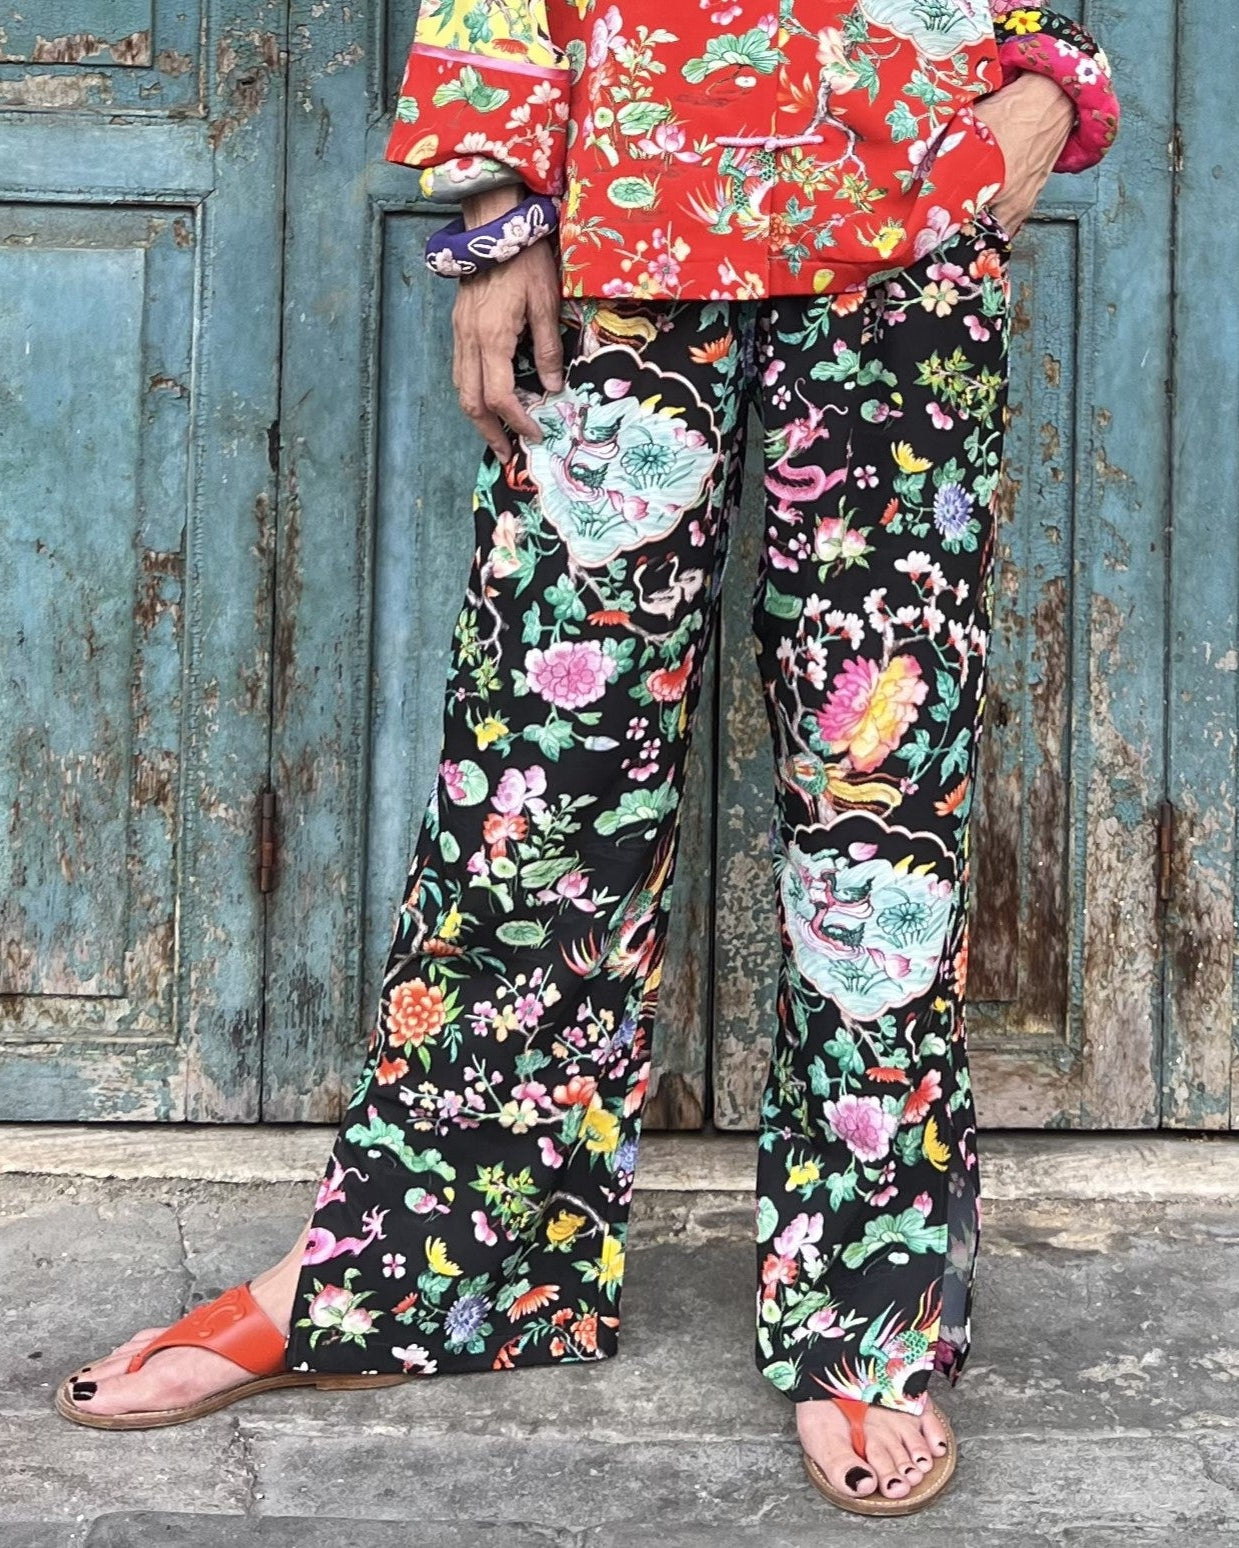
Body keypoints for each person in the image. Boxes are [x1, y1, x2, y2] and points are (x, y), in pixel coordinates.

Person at [57, 0, 1119, 1518]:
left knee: (880, 805)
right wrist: (498, 211)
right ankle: (420, 1258)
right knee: (540, 784)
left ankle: (866, 1310)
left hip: (909, 229)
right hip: (623, 238)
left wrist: (1041, 90)